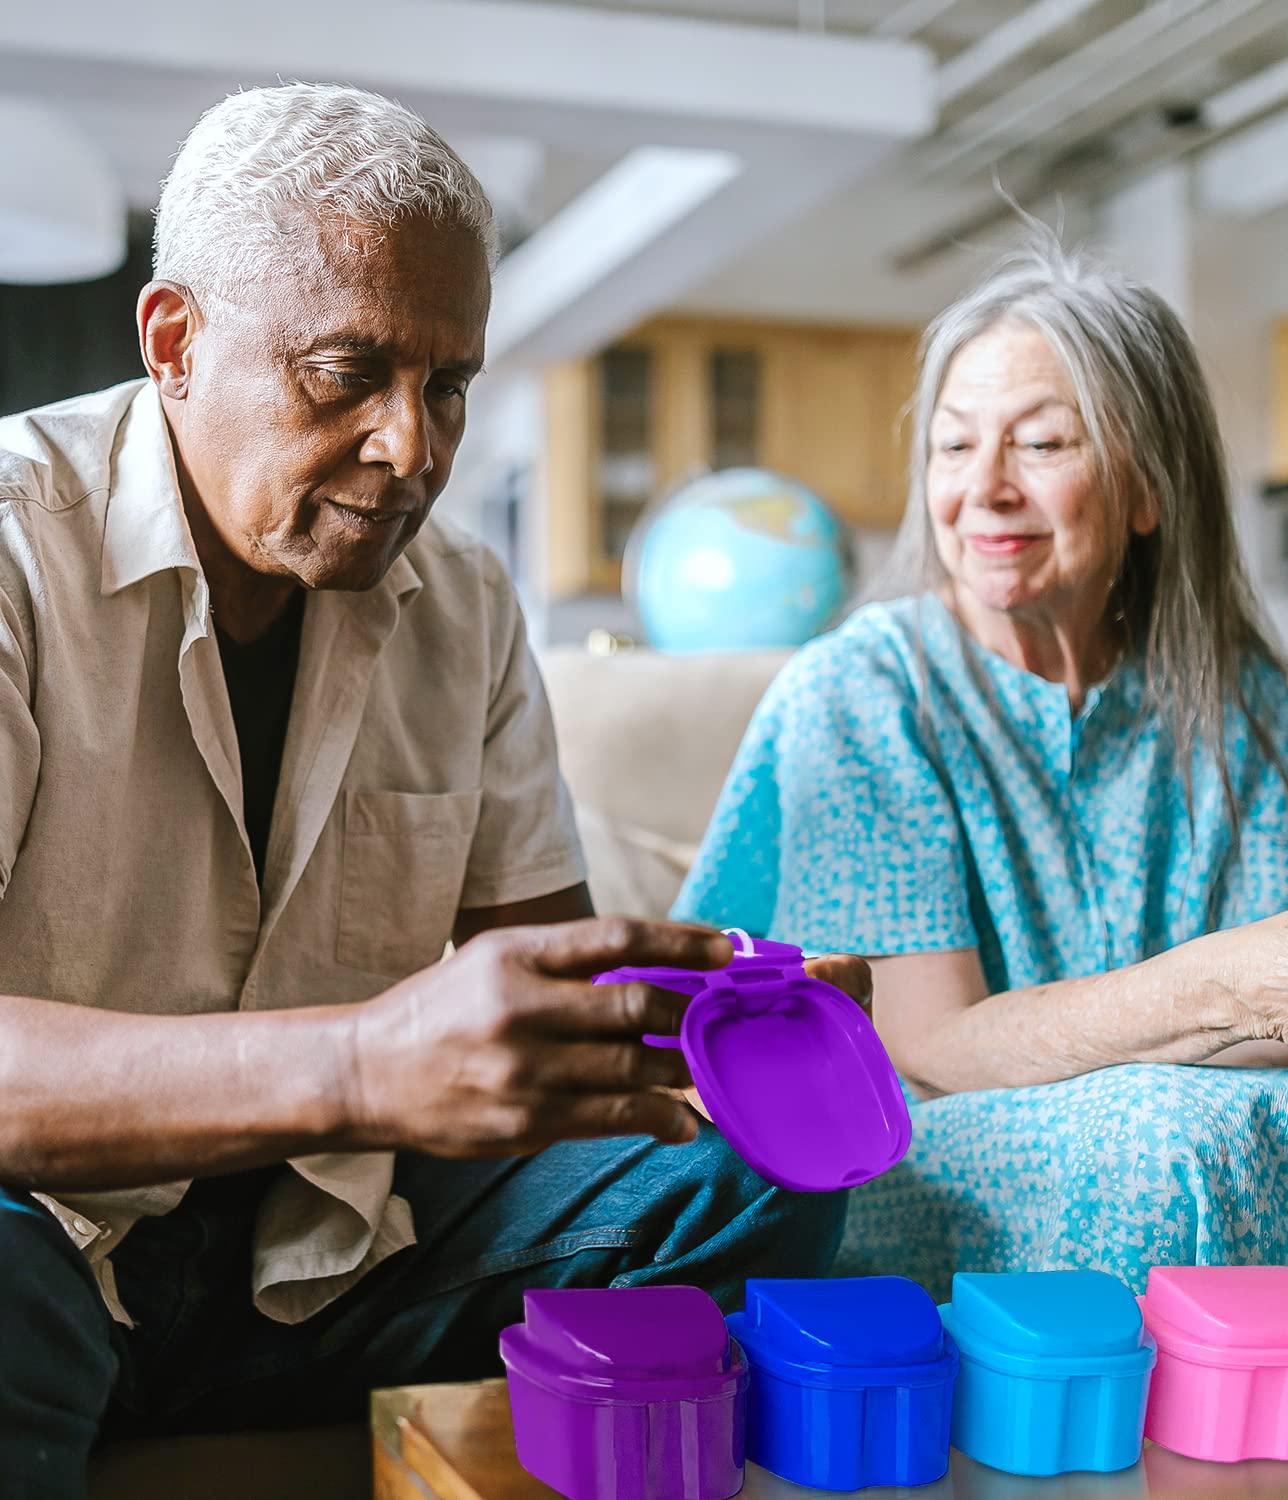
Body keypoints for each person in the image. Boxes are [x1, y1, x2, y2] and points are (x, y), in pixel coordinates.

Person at [0, 85, 856, 1497]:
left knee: (748, 1176)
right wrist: (357, 1064)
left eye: (448, 384)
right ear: (174, 344)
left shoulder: (459, 600)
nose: (416, 448)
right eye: (350, 372)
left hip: (336, 1250)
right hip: (46, 1240)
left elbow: (549, 989)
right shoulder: (20, 552)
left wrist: (715, 1021)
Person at [674, 230, 1288, 1294]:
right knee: (1155, 1145)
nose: (985, 490)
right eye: (955, 445)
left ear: (1148, 490)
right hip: (893, 1141)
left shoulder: (1230, 685)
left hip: (1153, 1103)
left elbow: (1277, 1009)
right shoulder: (862, 690)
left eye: (1043, 444)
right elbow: (931, 1044)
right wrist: (1229, 983)